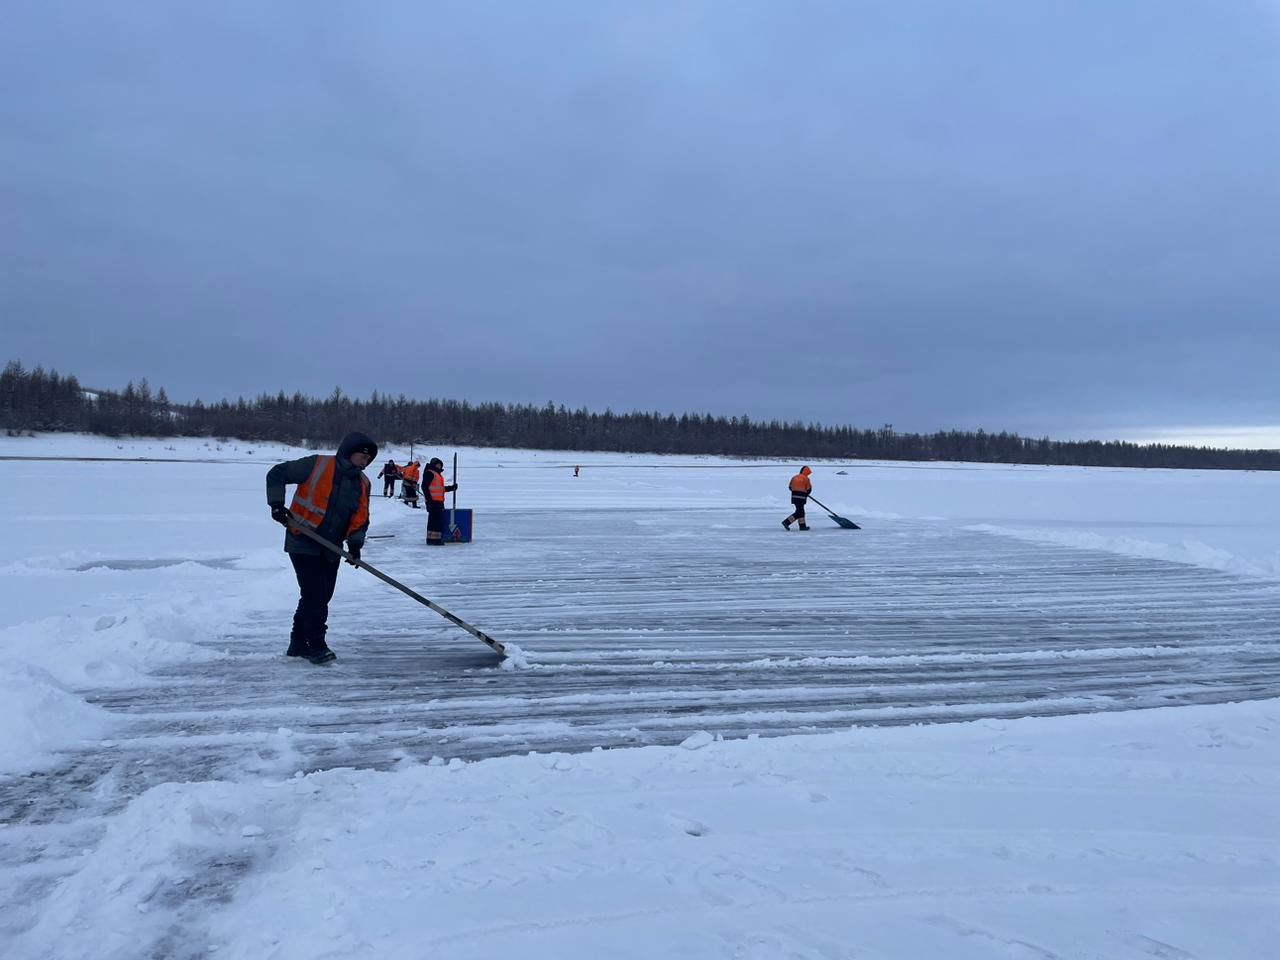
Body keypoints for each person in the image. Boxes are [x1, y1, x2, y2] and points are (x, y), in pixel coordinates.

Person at [266, 431, 377, 663]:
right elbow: (277, 473)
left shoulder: (363, 483)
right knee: (315, 595)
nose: (365, 462)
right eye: (362, 456)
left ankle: (297, 643)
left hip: (331, 547)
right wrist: (277, 505)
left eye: (368, 459)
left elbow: (360, 518)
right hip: (302, 539)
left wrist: (355, 545)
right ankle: (316, 645)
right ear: (349, 451)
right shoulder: (317, 464)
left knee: (319, 595)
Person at [423, 456, 458, 545]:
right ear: (433, 465)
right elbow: (424, 487)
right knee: (437, 521)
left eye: (440, 465)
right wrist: (429, 499)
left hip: (438, 502)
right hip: (433, 502)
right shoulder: (430, 473)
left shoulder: (437, 475)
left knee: (432, 521)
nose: (439, 467)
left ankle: (430, 539)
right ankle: (436, 540)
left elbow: (440, 489)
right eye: (437, 465)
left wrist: (451, 488)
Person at [782, 465, 813, 531]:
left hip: (794, 497)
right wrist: (806, 493)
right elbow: (809, 489)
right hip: (801, 498)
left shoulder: (794, 477)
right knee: (799, 512)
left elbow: (790, 487)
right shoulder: (806, 479)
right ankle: (786, 522)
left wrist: (796, 491)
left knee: (801, 511)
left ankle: (802, 526)